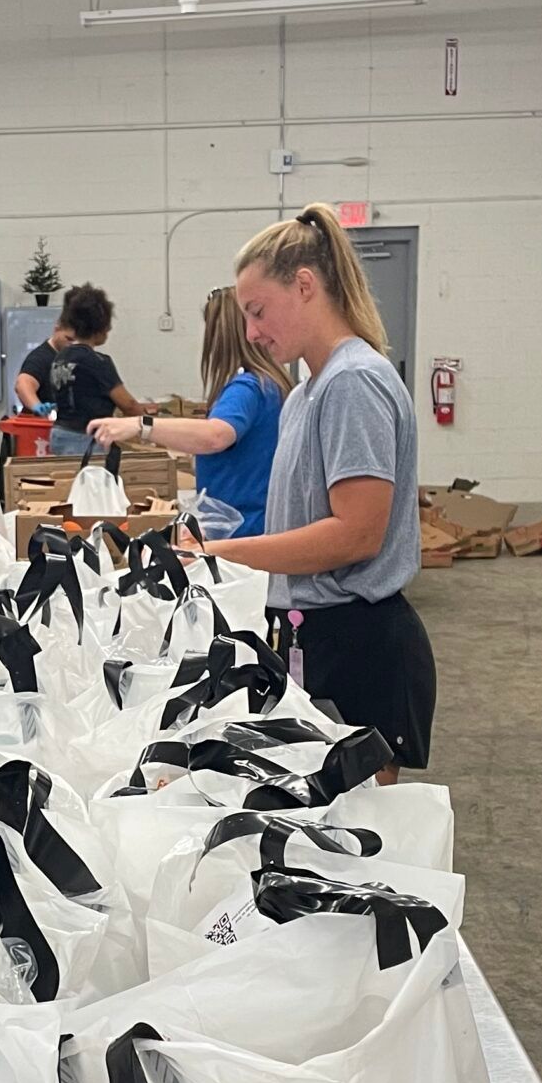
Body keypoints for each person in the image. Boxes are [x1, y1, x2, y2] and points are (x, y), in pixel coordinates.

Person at [190, 206, 435, 782]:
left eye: (257, 312)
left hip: (361, 645)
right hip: (313, 631)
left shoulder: (353, 383)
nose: (251, 332)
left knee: (358, 843)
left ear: (305, 286)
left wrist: (221, 556)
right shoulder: (305, 393)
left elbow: (356, 533)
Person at [89, 285, 289, 537]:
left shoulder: (246, 388)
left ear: (220, 335)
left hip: (243, 532)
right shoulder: (270, 385)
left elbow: (215, 436)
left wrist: (141, 425)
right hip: (259, 527)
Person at [14, 284, 148, 457]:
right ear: (99, 330)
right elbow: (128, 405)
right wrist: (151, 425)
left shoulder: (59, 359)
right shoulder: (98, 362)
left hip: (59, 435)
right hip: (87, 439)